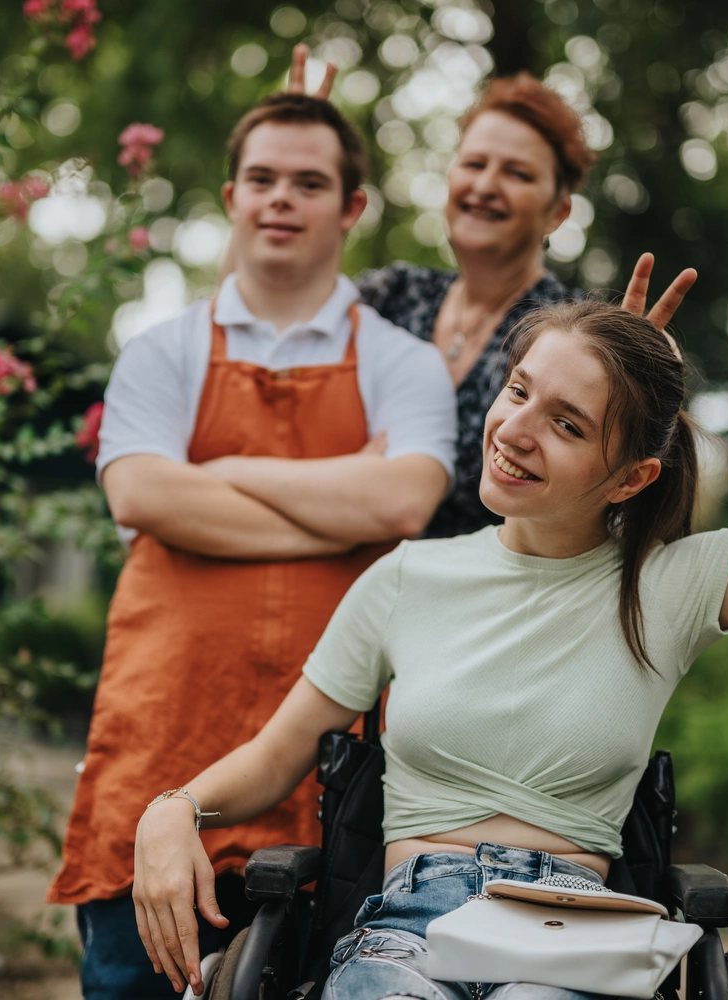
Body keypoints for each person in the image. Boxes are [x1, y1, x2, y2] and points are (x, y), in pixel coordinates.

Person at [131, 54, 728, 1000]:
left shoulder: (667, 587)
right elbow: (274, 758)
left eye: (569, 424)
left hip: (572, 943)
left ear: (632, 477)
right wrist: (177, 808)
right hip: (405, 936)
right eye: (518, 391)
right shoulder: (404, 579)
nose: (515, 430)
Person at [48, 92, 458, 1000]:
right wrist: (339, 501)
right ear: (232, 197)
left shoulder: (405, 363)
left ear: (351, 208)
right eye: (263, 179)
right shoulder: (160, 351)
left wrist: (222, 471)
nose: (281, 198)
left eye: (309, 183)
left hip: (334, 771)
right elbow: (141, 492)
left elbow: (403, 499)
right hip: (165, 743)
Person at [251, 50, 697, 539]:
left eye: (517, 173)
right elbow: (251, 338)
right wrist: (276, 171)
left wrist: (643, 391)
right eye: (474, 163)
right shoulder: (390, 296)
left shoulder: (566, 341)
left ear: (557, 213)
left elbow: (612, 508)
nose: (485, 185)